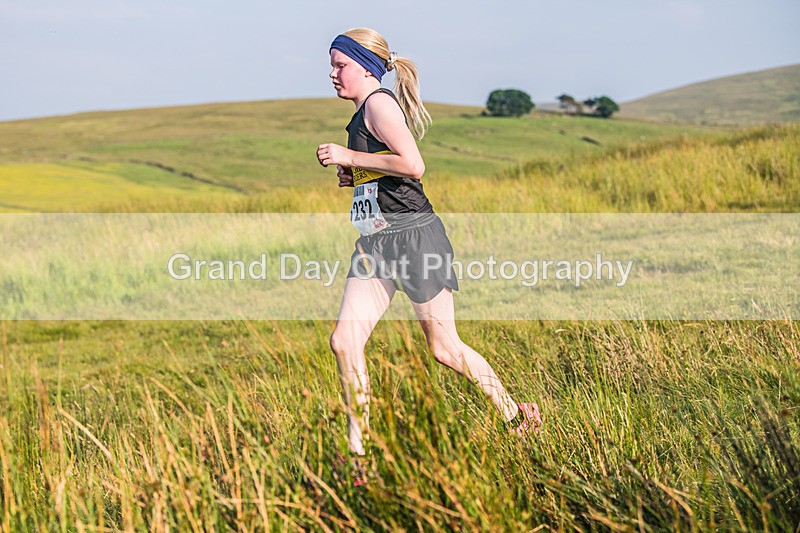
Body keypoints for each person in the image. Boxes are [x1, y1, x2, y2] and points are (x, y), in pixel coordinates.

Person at [316, 28, 541, 484]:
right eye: (332, 64)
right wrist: (356, 172)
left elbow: (414, 165)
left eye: (340, 64)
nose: (333, 73)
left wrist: (345, 153)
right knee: (344, 341)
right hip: (376, 242)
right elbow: (388, 167)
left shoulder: (379, 104)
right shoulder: (364, 110)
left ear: (364, 66)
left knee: (444, 348)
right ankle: (359, 457)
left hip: (415, 239)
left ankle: (517, 416)